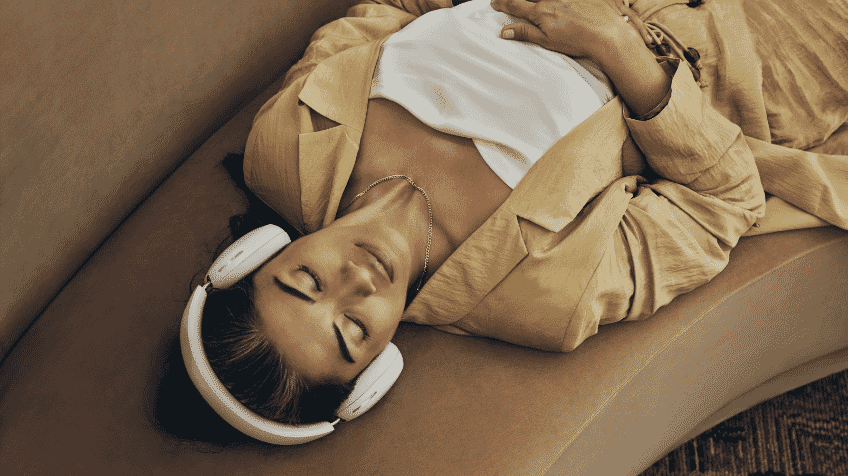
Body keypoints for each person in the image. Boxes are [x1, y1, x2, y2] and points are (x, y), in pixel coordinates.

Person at [201, 0, 848, 425]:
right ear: (379, 366)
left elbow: (394, 7)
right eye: (353, 332)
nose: (354, 286)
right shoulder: (546, 293)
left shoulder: (289, 138)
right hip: (753, 46)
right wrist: (623, 53)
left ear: (260, 255)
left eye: (307, 282)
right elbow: (722, 202)